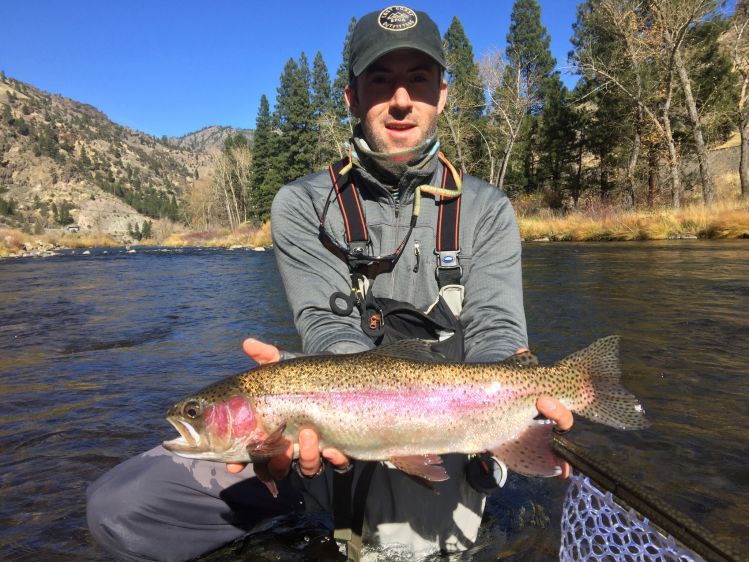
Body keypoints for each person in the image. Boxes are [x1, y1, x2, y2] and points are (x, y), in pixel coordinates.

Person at [86, 6, 573, 561]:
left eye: (417, 80)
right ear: (351, 97)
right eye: (380, 80)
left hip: (448, 430)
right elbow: (325, 326)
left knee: (400, 556)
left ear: (442, 92)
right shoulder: (301, 205)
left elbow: (495, 328)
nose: (400, 99)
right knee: (121, 507)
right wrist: (333, 402)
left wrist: (512, 406)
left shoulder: (486, 209)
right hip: (329, 428)